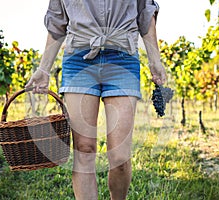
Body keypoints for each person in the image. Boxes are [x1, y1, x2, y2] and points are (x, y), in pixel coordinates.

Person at [25, 0, 166, 199]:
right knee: (84, 149)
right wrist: (43, 69)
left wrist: (155, 60)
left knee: (120, 157)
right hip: (78, 59)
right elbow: (57, 23)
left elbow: (145, 14)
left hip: (123, 58)